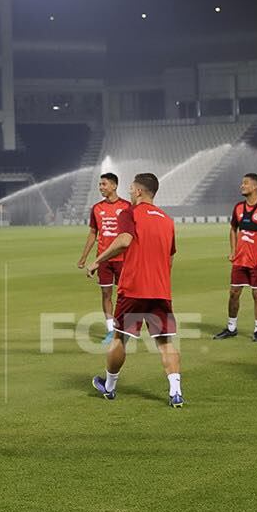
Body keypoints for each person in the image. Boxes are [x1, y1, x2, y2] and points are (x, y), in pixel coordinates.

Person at [88, 173, 182, 407]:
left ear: (139, 191)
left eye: (131, 189)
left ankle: (109, 387)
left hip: (133, 289)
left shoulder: (129, 213)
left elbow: (124, 241)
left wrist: (97, 260)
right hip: (160, 290)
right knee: (165, 342)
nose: (129, 192)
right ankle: (175, 392)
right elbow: (170, 258)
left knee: (120, 339)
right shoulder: (167, 220)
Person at [213, 173, 257, 342]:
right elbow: (232, 229)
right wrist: (232, 250)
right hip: (240, 260)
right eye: (242, 183)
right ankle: (231, 327)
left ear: (255, 186)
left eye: (245, 183)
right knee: (234, 293)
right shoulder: (237, 207)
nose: (242, 186)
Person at [76, 173, 131, 344]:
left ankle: (124, 328)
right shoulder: (97, 208)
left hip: (123, 258)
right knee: (106, 293)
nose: (100, 187)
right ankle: (110, 330)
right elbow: (93, 233)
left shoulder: (127, 206)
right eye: (99, 184)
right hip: (103, 259)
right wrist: (84, 257)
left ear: (114, 186)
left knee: (125, 295)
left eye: (104, 184)